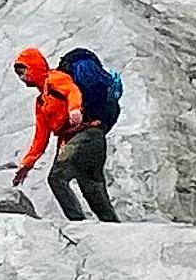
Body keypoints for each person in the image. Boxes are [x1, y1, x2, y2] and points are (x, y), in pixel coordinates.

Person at [8, 45, 119, 221]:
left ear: (34, 67)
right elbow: (40, 138)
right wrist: (27, 165)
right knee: (91, 187)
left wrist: (75, 109)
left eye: (24, 71)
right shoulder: (41, 103)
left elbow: (71, 90)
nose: (22, 78)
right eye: (19, 74)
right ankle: (112, 225)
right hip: (85, 138)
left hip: (87, 134)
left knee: (57, 177)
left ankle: (77, 223)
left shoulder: (54, 79)